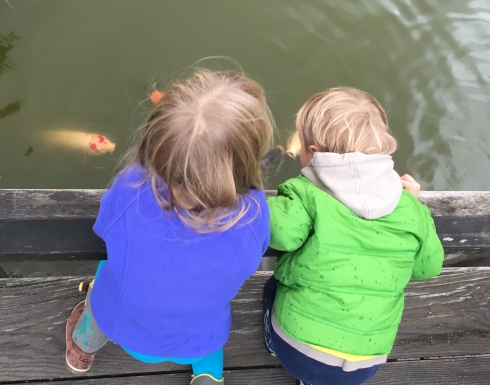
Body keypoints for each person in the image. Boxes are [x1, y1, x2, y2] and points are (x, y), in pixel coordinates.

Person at [65, 70, 274, 385]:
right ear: (245, 162)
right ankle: (207, 376)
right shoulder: (253, 215)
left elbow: (106, 229)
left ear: (154, 144)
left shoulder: (130, 188)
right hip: (193, 339)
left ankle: (82, 348)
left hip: (122, 325)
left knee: (102, 292)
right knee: (207, 341)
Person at [263, 87, 444, 385]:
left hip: (296, 348)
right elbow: (429, 267)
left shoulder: (306, 195)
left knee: (272, 286)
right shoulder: (409, 208)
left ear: (314, 152)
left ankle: (273, 343)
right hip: (366, 363)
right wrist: (417, 206)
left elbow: (276, 232)